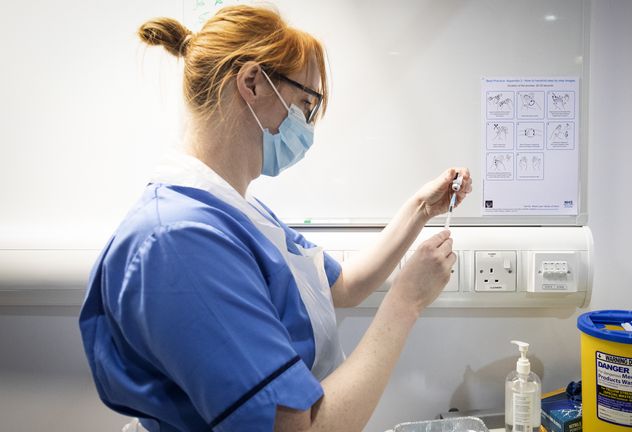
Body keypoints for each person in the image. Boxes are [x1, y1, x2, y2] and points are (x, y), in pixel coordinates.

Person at [79, 5, 472, 432]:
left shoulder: (233, 210)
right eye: (305, 104)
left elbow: (342, 286)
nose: (306, 127)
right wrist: (406, 302)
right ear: (252, 83)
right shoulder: (180, 241)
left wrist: (421, 208)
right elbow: (291, 429)